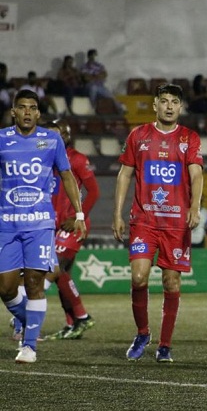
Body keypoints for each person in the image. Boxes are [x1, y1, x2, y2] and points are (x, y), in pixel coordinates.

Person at [112, 83, 204, 363]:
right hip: (144, 220)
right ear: (155, 105)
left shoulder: (189, 137)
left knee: (171, 283)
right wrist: (117, 213)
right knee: (138, 277)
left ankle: (165, 345)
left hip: (176, 223)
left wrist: (195, 206)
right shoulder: (138, 135)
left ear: (180, 107)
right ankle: (143, 333)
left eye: (174, 102)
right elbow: (124, 174)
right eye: (164, 101)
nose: (169, 106)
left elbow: (197, 174)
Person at [0, 90, 87, 363]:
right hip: (6, 224)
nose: (27, 112)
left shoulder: (51, 139)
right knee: (5, 288)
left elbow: (67, 175)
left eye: (32, 107)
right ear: (13, 111)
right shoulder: (1, 139)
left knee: (35, 283)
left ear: (38, 113)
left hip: (39, 224)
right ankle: (30, 322)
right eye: (22, 107)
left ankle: (29, 347)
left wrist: (79, 213)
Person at [40, 119, 100, 340]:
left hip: (72, 224)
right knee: (62, 275)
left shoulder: (77, 159)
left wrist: (76, 217)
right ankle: (73, 322)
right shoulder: (44, 160)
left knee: (55, 267)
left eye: (59, 133)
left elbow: (94, 192)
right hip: (53, 224)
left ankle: (81, 317)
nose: (54, 138)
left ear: (66, 136)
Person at [81, 48, 124, 113]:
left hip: (100, 86)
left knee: (110, 95)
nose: (96, 57)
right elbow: (86, 78)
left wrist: (92, 76)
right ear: (90, 56)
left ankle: (120, 108)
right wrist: (97, 76)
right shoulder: (84, 66)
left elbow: (104, 75)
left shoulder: (99, 65)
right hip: (89, 86)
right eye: (94, 55)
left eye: (96, 55)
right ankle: (93, 107)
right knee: (93, 88)